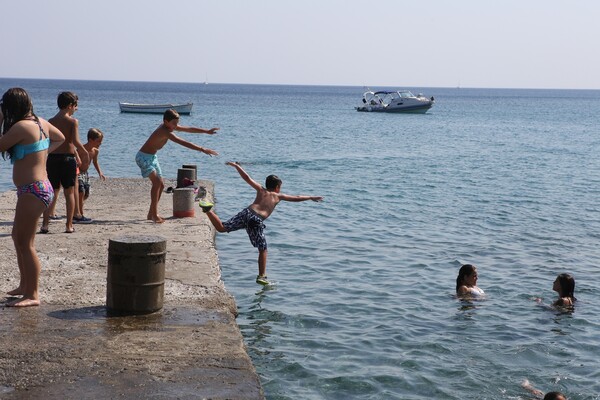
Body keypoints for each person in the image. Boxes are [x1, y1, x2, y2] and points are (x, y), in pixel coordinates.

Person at [199, 161, 323, 285]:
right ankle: (261, 276)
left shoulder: (260, 189)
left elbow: (247, 178)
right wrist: (311, 197)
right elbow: (297, 197)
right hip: (256, 220)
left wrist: (237, 166)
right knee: (263, 249)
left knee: (222, 228)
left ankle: (208, 210)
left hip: (247, 212)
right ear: (277, 187)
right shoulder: (278, 196)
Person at [0, 88, 65, 307]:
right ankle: (24, 285)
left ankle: (33, 294)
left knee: (26, 243)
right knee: (17, 236)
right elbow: (60, 138)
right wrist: (41, 151)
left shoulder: (21, 126)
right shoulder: (40, 122)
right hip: (36, 188)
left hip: (33, 190)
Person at [136, 109, 219, 223]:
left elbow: (188, 129)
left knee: (161, 184)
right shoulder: (165, 131)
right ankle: (154, 214)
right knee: (156, 183)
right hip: (143, 158)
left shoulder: (170, 127)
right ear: (166, 121)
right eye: (174, 123)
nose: (176, 126)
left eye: (177, 123)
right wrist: (202, 149)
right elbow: (183, 142)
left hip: (152, 158)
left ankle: (151, 213)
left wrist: (206, 131)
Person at [41, 91, 89, 234]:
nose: (76, 109)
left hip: (52, 159)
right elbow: (74, 141)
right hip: (67, 160)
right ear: (69, 106)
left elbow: (50, 141)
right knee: (69, 193)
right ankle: (69, 225)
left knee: (51, 192)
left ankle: (45, 225)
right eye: (75, 106)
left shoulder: (50, 121)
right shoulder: (73, 121)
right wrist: (84, 152)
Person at [74, 128, 107, 222]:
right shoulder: (81, 149)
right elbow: (75, 160)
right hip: (78, 172)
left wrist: (100, 172)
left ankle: (77, 207)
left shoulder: (95, 151)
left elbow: (95, 162)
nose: (100, 143)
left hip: (85, 174)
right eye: (98, 141)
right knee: (81, 191)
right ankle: (80, 214)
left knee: (85, 194)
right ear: (90, 140)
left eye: (101, 141)